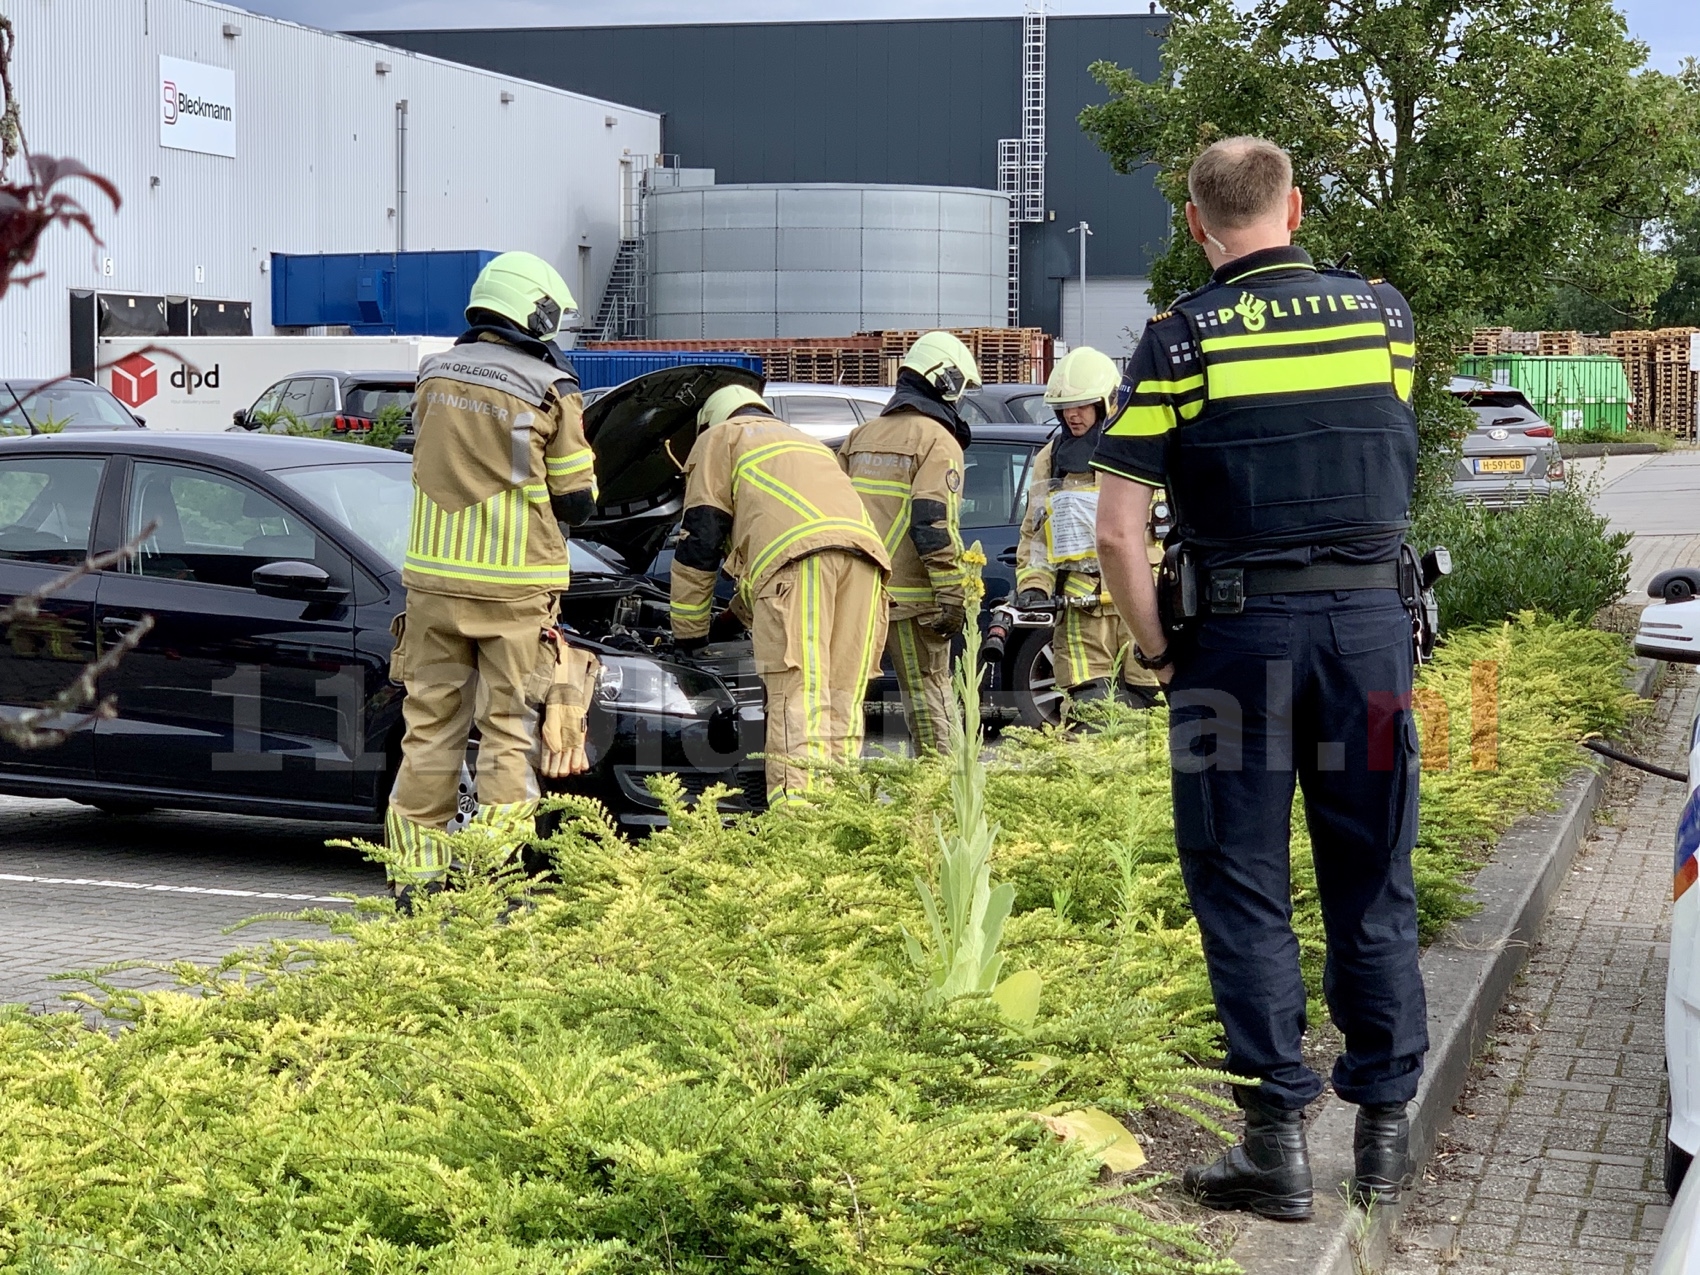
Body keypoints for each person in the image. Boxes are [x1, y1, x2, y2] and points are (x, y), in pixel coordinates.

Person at [1092, 136, 1424, 1220]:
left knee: (1239, 885)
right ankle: (1381, 1140)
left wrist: (1156, 653)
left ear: (1197, 222)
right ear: (1293, 205)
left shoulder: (1177, 340)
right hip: (1371, 640)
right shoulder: (1381, 318)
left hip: (1235, 647)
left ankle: (1274, 1149)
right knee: (1369, 872)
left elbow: (1114, 535)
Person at [386, 250, 596, 906]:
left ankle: (415, 882)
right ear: (535, 313)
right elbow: (579, 498)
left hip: (432, 591)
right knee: (506, 731)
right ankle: (496, 885)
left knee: (428, 733)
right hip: (512, 591)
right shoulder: (549, 389)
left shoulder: (431, 374)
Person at [670, 385, 890, 806]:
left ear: (710, 421)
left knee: (799, 699)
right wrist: (730, 620)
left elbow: (700, 542)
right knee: (841, 700)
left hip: (802, 564)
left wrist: (690, 636)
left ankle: (797, 830)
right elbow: (773, 548)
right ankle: (841, 816)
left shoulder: (720, 438)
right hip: (867, 566)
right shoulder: (805, 443)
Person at [839, 331, 980, 754]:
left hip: (856, 596)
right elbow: (932, 524)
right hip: (911, 601)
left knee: (841, 702)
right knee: (928, 697)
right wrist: (953, 598)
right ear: (945, 380)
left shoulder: (859, 436)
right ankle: (941, 795)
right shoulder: (938, 442)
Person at [1014, 345, 1162, 711]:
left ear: (1106, 403)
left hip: (1142, 601)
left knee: (1148, 705)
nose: (1072, 415)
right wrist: (1034, 585)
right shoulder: (1051, 460)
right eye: (1065, 407)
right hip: (1081, 609)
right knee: (1088, 711)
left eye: (1082, 405)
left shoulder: (1141, 449)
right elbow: (1036, 535)